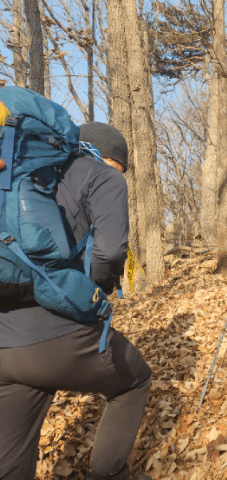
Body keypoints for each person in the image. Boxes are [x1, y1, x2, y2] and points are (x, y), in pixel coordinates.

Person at [0, 122, 152, 480]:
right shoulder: (102, 176)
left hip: (5, 340)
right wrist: (93, 291)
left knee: (11, 462)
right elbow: (111, 251)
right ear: (107, 157)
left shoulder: (28, 175)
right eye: (119, 167)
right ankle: (109, 475)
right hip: (57, 335)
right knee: (135, 379)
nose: (118, 175)